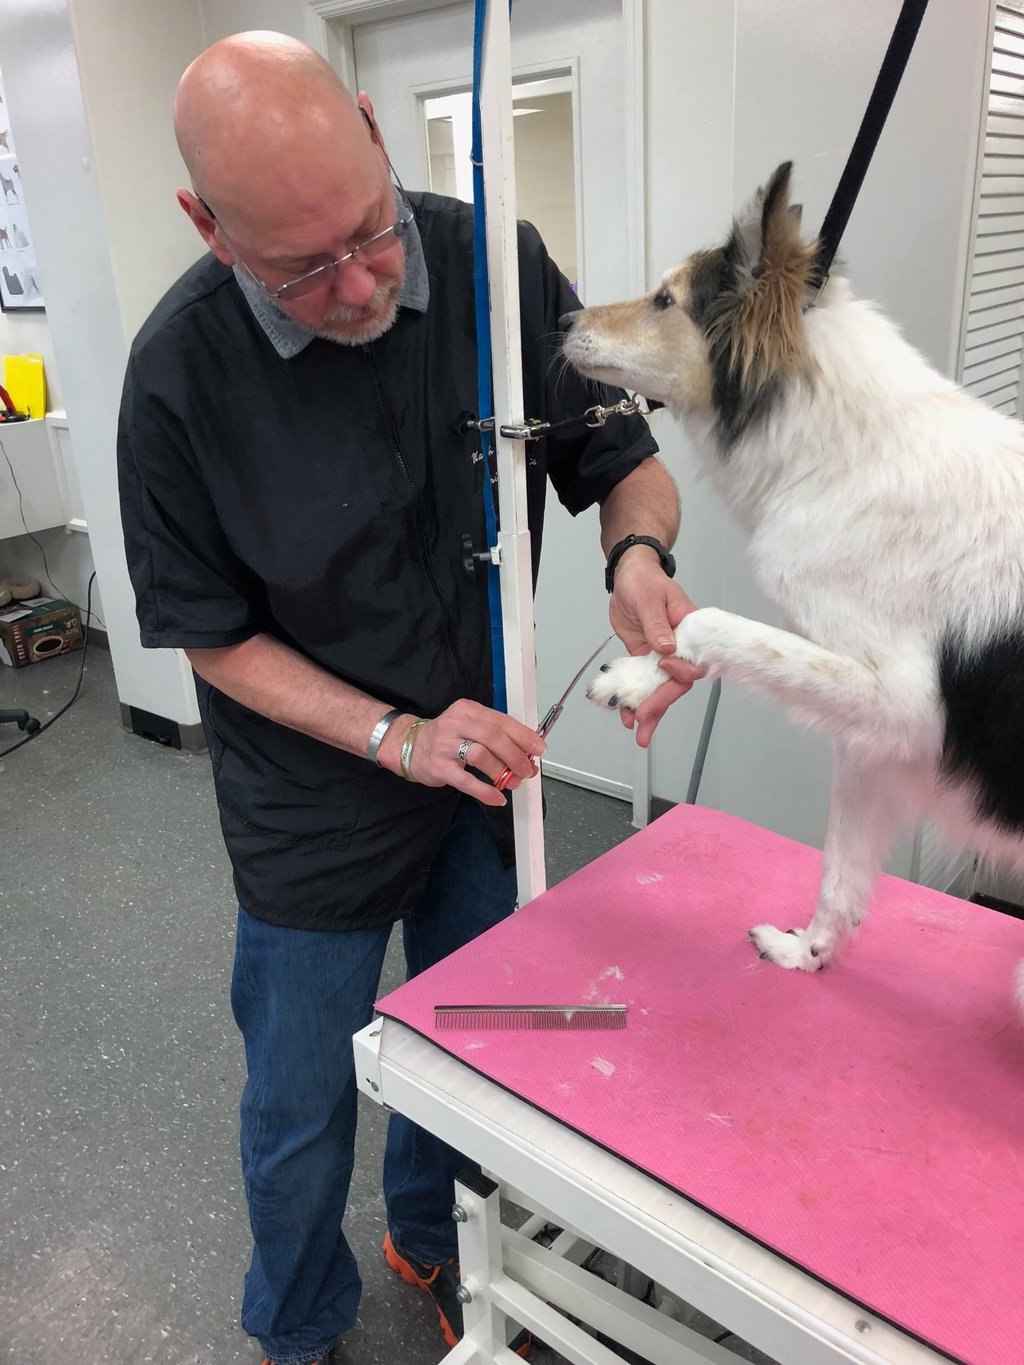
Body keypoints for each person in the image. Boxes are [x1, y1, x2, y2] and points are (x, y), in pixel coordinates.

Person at [117, 30, 698, 1365]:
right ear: (207, 225)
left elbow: (625, 457)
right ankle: (299, 1317)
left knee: (468, 1042)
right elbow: (210, 638)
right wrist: (395, 735)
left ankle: (436, 1245)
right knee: (303, 1095)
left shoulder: (498, 262)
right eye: (300, 269)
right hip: (312, 801)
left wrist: (635, 552)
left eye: (372, 232)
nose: (363, 280)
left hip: (484, 776)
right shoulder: (177, 379)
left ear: (379, 134)